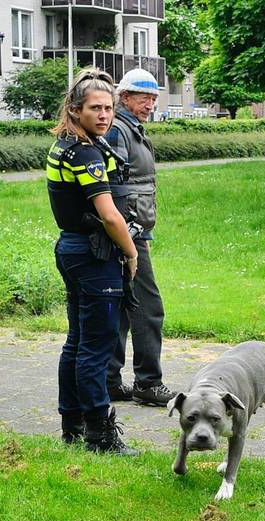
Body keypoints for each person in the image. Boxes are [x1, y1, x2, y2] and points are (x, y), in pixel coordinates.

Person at [48, 68, 141, 456]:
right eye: (95, 108)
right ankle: (100, 436)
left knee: (76, 343)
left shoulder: (65, 146)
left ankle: (72, 426)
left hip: (71, 249)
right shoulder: (86, 153)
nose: (104, 115)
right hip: (92, 255)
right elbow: (110, 216)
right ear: (75, 110)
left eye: (108, 108)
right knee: (95, 349)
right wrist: (131, 253)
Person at [103, 68, 176, 408]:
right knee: (148, 308)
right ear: (125, 97)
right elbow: (113, 188)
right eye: (144, 98)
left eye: (153, 98)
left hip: (132, 231)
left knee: (121, 308)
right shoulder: (119, 130)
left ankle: (109, 381)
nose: (150, 104)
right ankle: (149, 383)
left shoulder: (131, 129)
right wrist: (130, 235)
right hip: (128, 234)